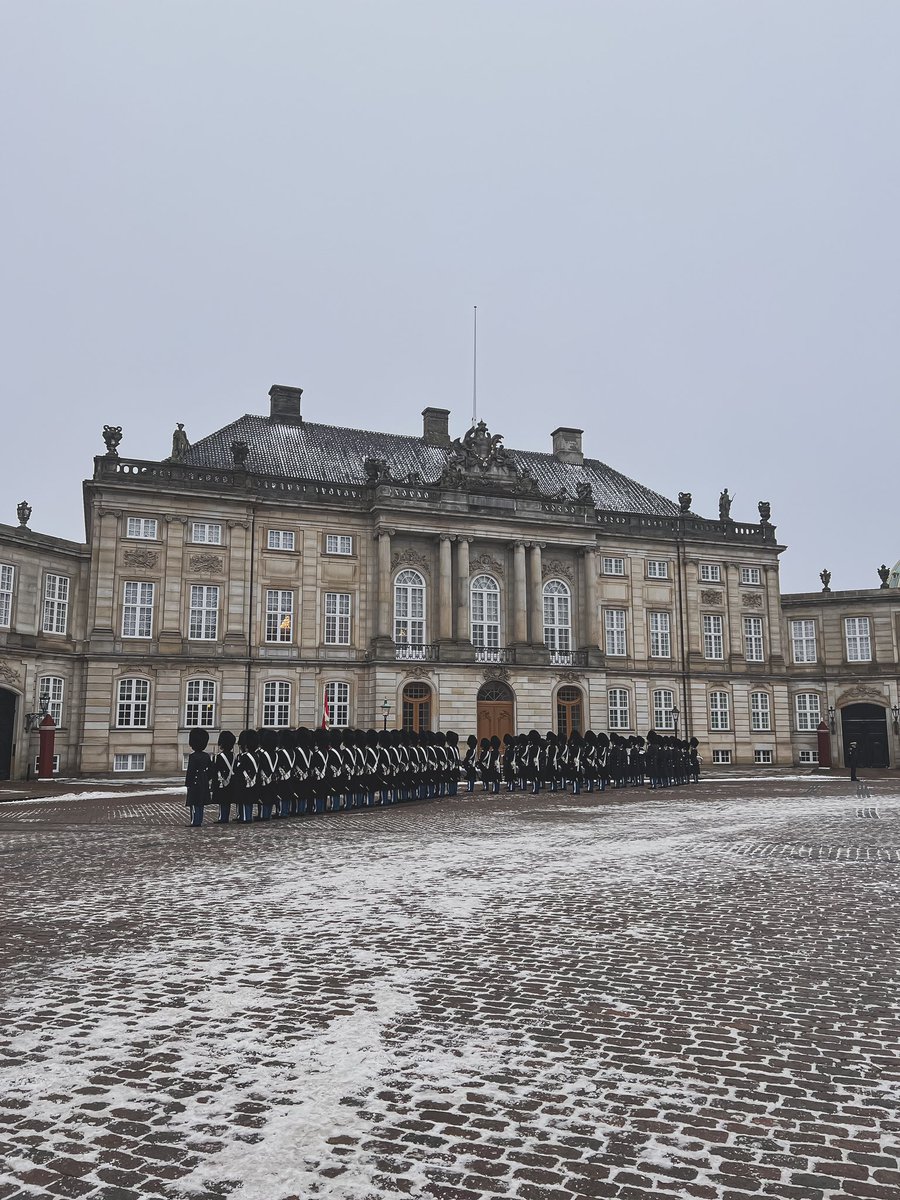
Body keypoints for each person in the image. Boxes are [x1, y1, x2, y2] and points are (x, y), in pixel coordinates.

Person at [185, 727, 213, 826]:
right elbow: (211, 769)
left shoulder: (193, 756)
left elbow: (190, 771)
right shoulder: (206, 756)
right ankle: (199, 820)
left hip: (195, 782)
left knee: (194, 803)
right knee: (201, 803)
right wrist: (206, 778)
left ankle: (195, 821)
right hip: (203, 781)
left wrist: (188, 783)